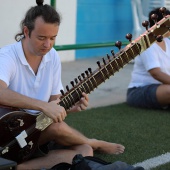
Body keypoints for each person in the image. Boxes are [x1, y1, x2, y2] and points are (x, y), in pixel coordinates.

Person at [0, 1, 125, 169]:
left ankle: (21, 167)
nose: (48, 44)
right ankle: (94, 142)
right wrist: (43, 106)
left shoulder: (52, 57)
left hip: (38, 130)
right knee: (59, 129)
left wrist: (68, 107)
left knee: (84, 151)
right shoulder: (7, 56)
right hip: (8, 133)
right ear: (26, 31)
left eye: (53, 38)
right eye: (41, 38)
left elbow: (54, 103)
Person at [126, 7, 170, 109]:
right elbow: (156, 73)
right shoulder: (147, 43)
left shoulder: (167, 42)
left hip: (162, 87)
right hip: (139, 91)